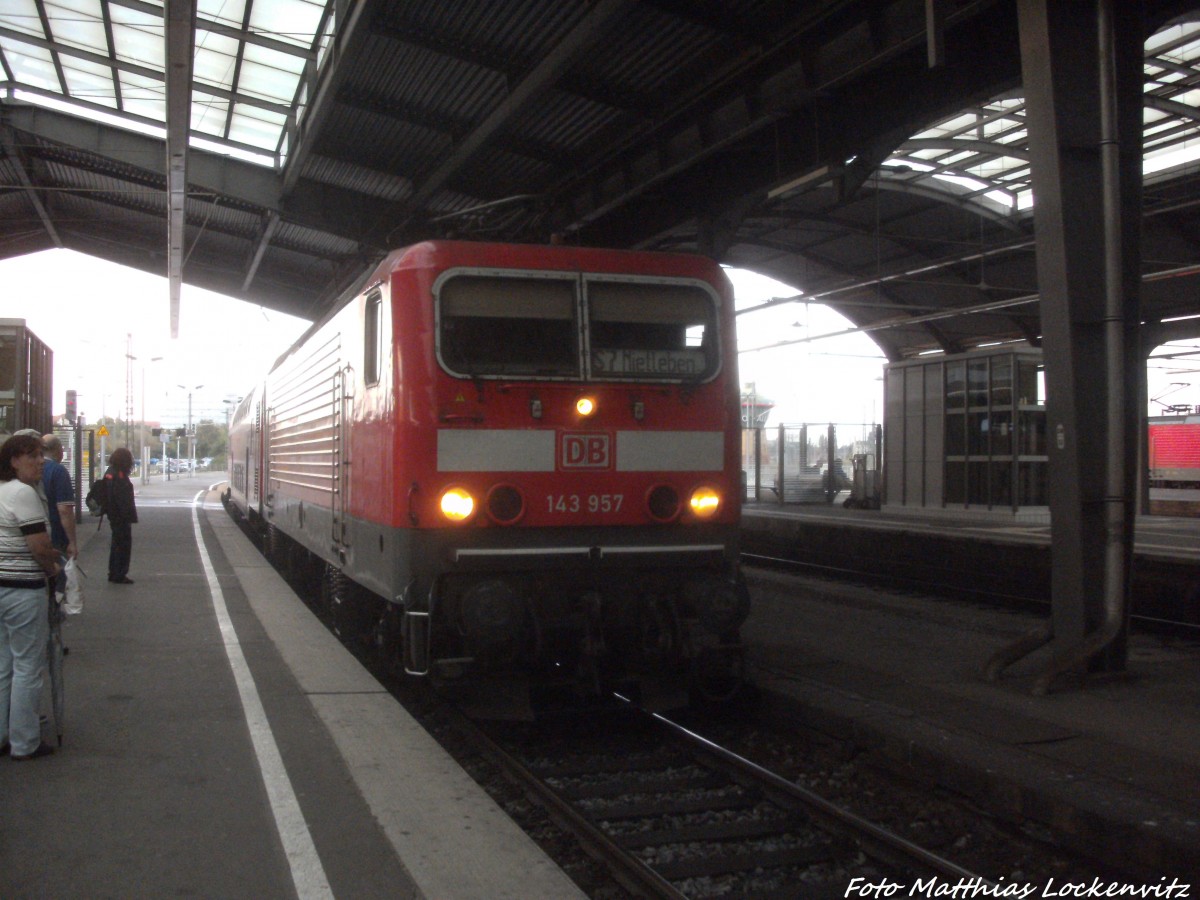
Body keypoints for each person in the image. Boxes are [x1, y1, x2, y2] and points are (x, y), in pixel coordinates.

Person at [0, 433, 61, 761]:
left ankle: (2, 733)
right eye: (31, 456)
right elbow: (37, 546)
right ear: (13, 461)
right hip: (22, 590)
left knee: (3, 663)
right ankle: (24, 742)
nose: (40, 461)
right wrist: (53, 567)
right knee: (27, 665)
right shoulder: (23, 493)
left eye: (40, 455)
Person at [40, 434, 78, 563]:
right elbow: (65, 510)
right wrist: (72, 541)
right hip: (56, 535)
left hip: (34, 535)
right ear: (58, 450)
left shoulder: (27, 470)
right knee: (59, 576)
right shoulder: (58, 471)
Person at [104, 447, 138, 584]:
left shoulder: (109, 472)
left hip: (113, 514)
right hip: (121, 516)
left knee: (116, 544)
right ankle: (119, 573)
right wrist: (127, 516)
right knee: (123, 544)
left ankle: (114, 571)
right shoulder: (119, 476)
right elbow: (122, 498)